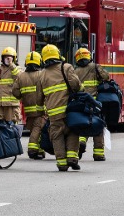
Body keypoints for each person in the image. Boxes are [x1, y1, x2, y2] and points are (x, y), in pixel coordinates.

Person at [39, 44, 82, 172]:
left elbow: (40, 95)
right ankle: (72, 159)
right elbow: (75, 85)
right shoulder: (66, 67)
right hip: (69, 110)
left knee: (56, 136)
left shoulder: (42, 74)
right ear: (57, 54)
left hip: (53, 113)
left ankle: (62, 163)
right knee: (73, 132)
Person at [74, 48, 111, 161]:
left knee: (83, 124)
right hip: (94, 102)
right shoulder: (95, 67)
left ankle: (81, 141)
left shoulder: (75, 70)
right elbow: (106, 77)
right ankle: (98, 154)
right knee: (98, 125)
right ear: (89, 56)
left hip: (80, 102)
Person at [18, 51, 46, 160]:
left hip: (28, 110)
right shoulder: (42, 75)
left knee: (35, 129)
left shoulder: (21, 76)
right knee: (38, 128)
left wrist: (23, 97)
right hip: (41, 109)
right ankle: (32, 149)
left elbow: (15, 92)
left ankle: (40, 150)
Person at [0, 46, 23, 124]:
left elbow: (20, 78)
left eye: (9, 57)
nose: (7, 59)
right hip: (0, 105)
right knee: (0, 127)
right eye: (5, 57)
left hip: (11, 105)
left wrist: (12, 65)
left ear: (14, 58)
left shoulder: (17, 69)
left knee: (11, 128)